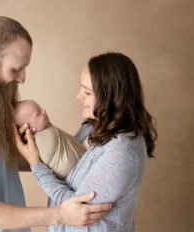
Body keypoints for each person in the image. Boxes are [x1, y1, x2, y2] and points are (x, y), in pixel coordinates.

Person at [0, 16, 112, 232]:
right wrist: (62, 214)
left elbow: (1, 163)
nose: (22, 78)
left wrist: (68, 161)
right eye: (16, 69)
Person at [16, 52, 158, 231]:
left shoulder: (123, 151)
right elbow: (62, 167)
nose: (78, 96)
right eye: (81, 88)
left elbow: (76, 209)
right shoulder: (92, 126)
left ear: (112, 97)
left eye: (87, 92)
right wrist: (27, 144)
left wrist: (36, 164)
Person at [14, 100, 86, 179]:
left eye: (41, 109)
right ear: (28, 127)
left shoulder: (45, 128)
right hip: (77, 174)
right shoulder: (41, 140)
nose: (44, 111)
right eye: (38, 113)